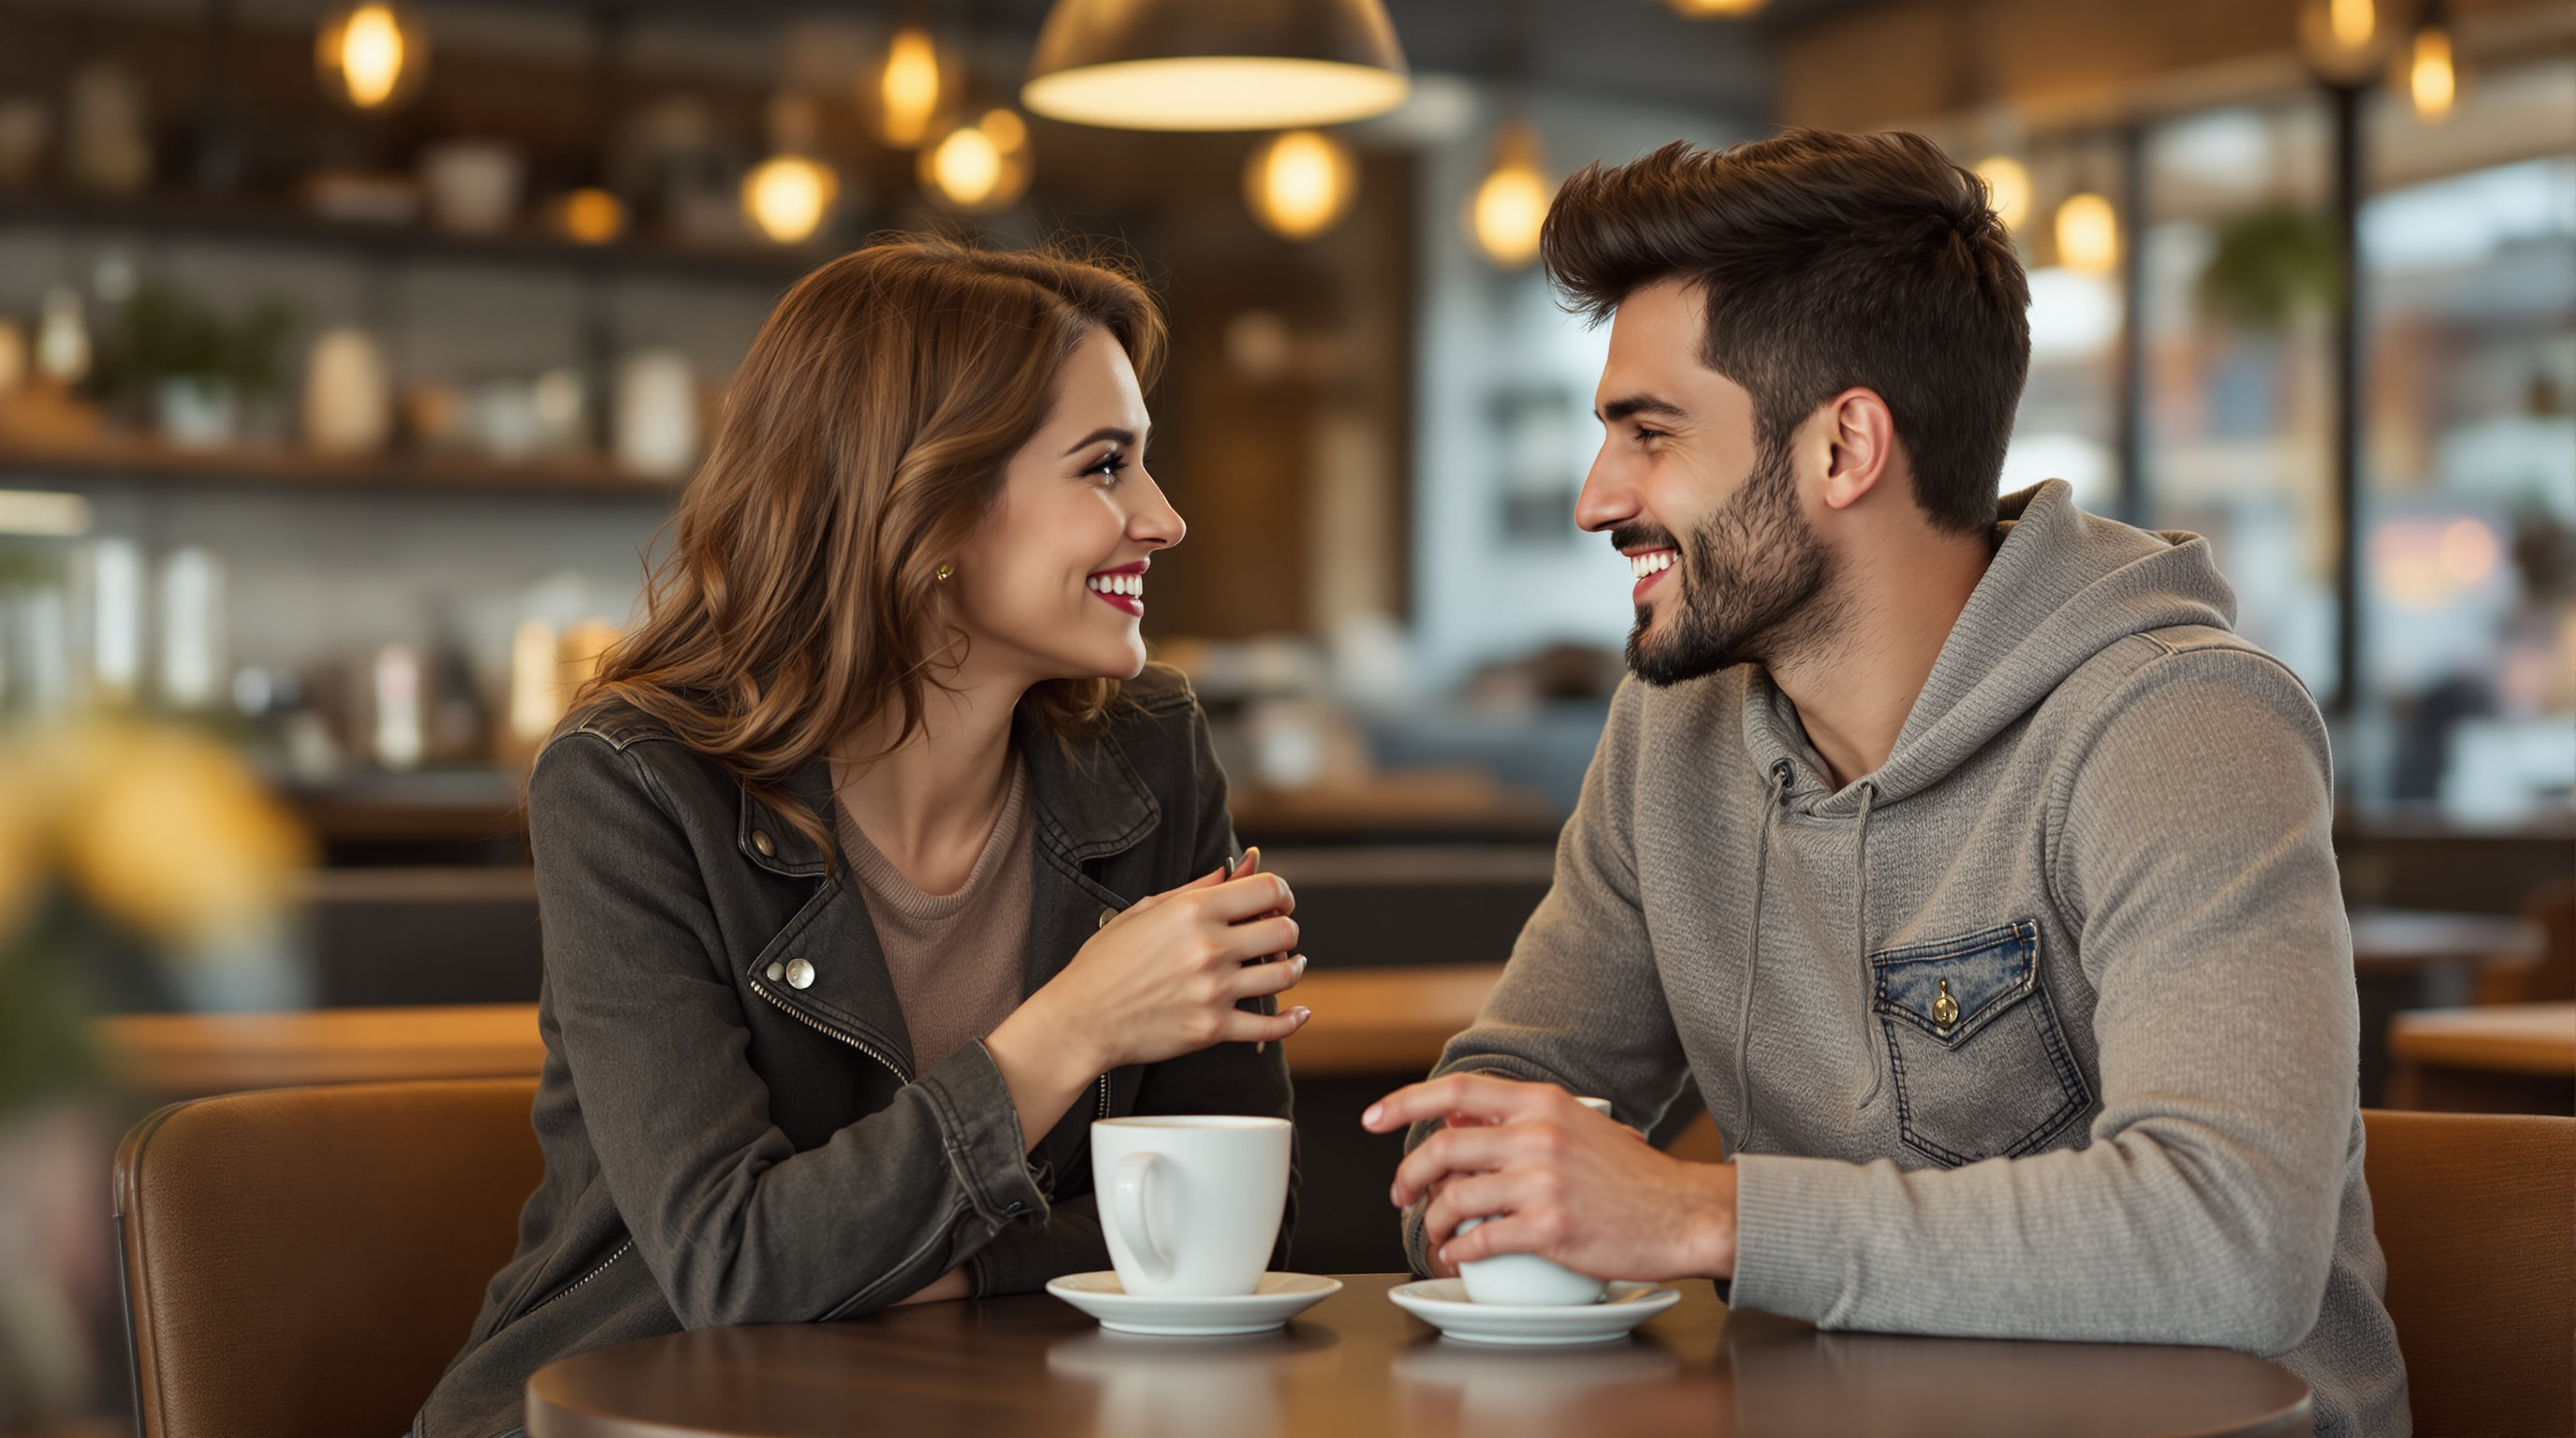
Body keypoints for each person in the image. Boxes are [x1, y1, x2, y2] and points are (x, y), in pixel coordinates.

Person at [1362, 132, 2407, 1437]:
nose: (1596, 498)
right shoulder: (1670, 737)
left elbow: (2229, 1239)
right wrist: (1492, 1197)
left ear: (1846, 446)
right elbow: (1508, 1100)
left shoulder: (2177, 724)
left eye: (1649, 433)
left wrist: (1698, 1212)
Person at [417, 240, 1311, 1438]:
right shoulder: (635, 787)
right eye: (1106, 468)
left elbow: (1218, 1221)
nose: (1164, 518)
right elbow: (733, 1269)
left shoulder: (1148, 755)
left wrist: (874, 1266)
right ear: (927, 505)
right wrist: (1076, 1024)